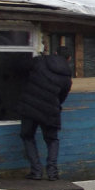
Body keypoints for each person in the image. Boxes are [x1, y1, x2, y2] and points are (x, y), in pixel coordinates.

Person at [18, 48, 72, 181]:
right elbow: (62, 96)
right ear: (69, 59)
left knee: (27, 136)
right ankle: (52, 173)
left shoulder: (40, 61)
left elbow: (21, 67)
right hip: (50, 110)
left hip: (30, 106)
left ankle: (36, 171)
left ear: (55, 53)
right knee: (52, 140)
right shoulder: (67, 75)